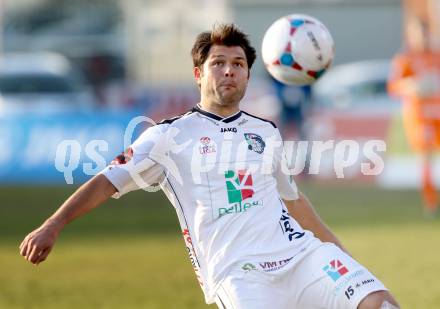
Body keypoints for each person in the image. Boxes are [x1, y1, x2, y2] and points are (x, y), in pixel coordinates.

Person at [20, 24, 400, 309]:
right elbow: (107, 181)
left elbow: (295, 202)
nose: (229, 71)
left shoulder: (265, 132)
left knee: (379, 302)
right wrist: (54, 224)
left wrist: (339, 252)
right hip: (239, 275)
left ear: (249, 75)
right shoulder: (168, 136)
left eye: (238, 64)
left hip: (301, 257)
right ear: (199, 74)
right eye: (218, 63)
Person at [388, 16, 440, 216]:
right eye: (419, 33)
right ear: (411, 35)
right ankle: (431, 203)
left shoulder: (437, 56)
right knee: (425, 160)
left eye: (425, 32)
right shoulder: (405, 59)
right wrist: (412, 86)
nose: (423, 37)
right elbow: (393, 86)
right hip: (420, 116)